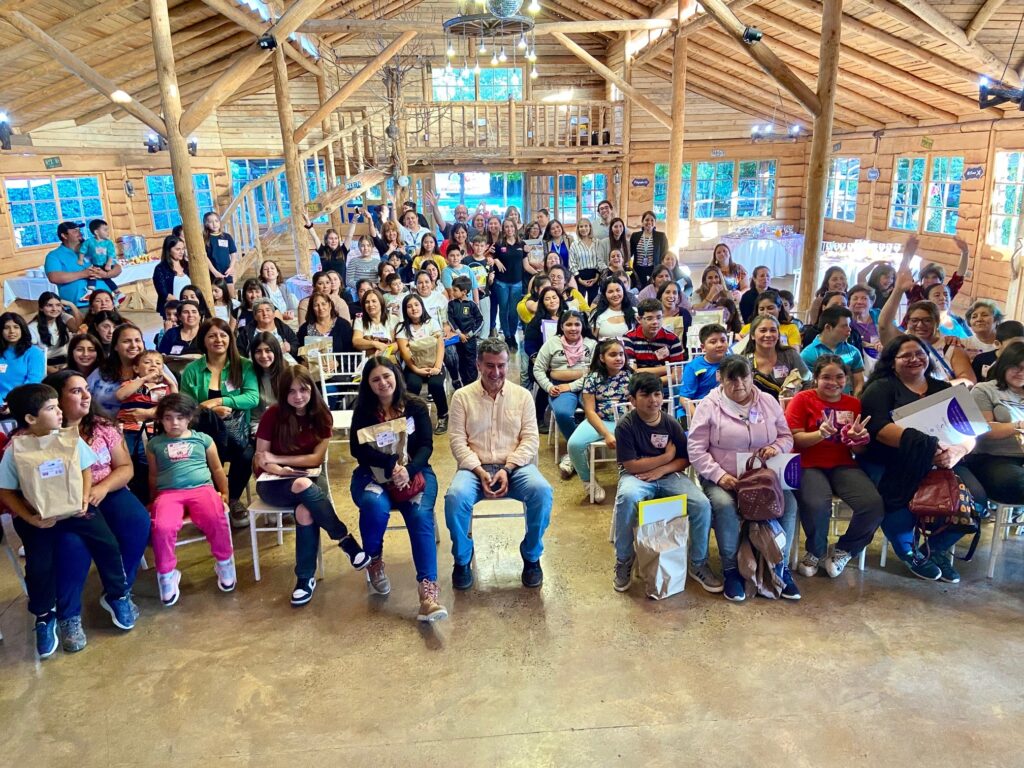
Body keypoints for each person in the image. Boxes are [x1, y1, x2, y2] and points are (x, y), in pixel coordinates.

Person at [0, 383, 135, 658]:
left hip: (76, 509)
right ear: (30, 419)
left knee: (108, 545)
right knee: (39, 566)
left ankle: (117, 595)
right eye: (51, 408)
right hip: (39, 518)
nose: (60, 412)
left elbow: (85, 468)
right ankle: (44, 615)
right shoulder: (16, 449)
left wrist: (84, 498)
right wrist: (30, 518)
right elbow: (5, 490)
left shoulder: (69, 438)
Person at [45, 370, 150, 653]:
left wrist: (102, 489)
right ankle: (68, 615)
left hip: (107, 489)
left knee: (137, 521)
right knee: (73, 544)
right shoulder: (38, 436)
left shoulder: (102, 426)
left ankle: (118, 592)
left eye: (85, 389)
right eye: (75, 391)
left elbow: (125, 468)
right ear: (55, 398)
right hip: (65, 502)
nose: (86, 395)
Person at [859, 334, 979, 582]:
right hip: (891, 459)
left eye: (920, 353)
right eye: (906, 355)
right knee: (896, 501)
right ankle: (909, 553)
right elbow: (879, 429)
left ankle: (934, 550)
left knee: (975, 499)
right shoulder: (880, 388)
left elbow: (972, 431)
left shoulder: (944, 389)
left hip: (945, 459)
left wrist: (958, 451)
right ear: (893, 361)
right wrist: (929, 448)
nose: (914, 359)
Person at [687, 355, 801, 602]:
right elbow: (695, 449)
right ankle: (731, 570)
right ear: (721, 378)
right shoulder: (709, 406)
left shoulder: (768, 401)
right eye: (732, 378)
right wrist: (719, 475)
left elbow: (786, 436)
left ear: (752, 376)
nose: (739, 383)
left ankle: (780, 568)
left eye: (744, 377)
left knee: (789, 504)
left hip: (763, 477)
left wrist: (777, 448)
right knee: (725, 506)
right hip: (725, 477)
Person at [444, 338, 552, 589]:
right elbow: (458, 442)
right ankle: (462, 557)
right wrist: (479, 470)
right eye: (490, 366)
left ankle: (531, 555)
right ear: (478, 365)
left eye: (501, 365)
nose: (496, 373)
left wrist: (507, 469)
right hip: (474, 468)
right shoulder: (462, 397)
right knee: (455, 498)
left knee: (542, 491)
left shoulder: (522, 396)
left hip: (515, 467)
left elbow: (530, 439)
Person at [256, 366, 369, 605]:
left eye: (303, 390)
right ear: (283, 394)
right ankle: (344, 539)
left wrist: (279, 460)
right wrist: (276, 468)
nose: (298, 396)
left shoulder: (321, 414)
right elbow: (261, 458)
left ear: (312, 390)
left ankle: (305, 579)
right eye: (291, 391)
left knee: (305, 510)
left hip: (309, 480)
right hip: (271, 482)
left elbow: (315, 459)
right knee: (300, 483)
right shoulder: (272, 415)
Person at [349, 356, 447, 621]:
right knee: (373, 505)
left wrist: (408, 470)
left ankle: (428, 593)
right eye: (375, 379)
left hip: (415, 471)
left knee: (419, 516)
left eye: (387, 376)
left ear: (396, 376)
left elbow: (426, 445)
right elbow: (357, 449)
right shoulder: (363, 410)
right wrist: (390, 465)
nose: (383, 383)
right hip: (373, 473)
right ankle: (375, 560)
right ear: (368, 384)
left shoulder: (415, 405)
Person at [611, 372, 719, 593]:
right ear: (632, 400)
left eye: (657, 394)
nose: (653, 400)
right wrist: (665, 457)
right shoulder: (625, 426)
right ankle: (623, 559)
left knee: (701, 504)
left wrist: (663, 467)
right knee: (627, 497)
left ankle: (698, 562)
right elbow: (630, 465)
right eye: (646, 395)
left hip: (669, 475)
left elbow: (685, 459)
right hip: (636, 477)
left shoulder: (670, 423)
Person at [785, 356, 882, 578]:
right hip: (808, 463)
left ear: (846, 379)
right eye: (826, 377)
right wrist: (819, 434)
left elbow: (859, 450)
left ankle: (844, 549)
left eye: (839, 377)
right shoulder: (802, 399)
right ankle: (815, 551)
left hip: (843, 463)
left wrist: (858, 441)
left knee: (873, 504)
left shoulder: (853, 404)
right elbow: (794, 439)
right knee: (817, 503)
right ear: (816, 379)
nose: (833, 382)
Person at [147, 393, 235, 605]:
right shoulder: (155, 444)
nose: (174, 423)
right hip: (168, 494)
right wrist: (153, 499)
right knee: (162, 527)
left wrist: (225, 493)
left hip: (202, 489)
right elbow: (153, 474)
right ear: (161, 420)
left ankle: (224, 562)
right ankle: (167, 574)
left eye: (179, 417)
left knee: (216, 518)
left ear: (189, 418)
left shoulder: (203, 439)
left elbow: (217, 469)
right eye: (168, 418)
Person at [179, 318, 259, 527]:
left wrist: (220, 400)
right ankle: (214, 500)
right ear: (203, 340)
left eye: (223, 335)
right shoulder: (192, 370)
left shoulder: (244, 365)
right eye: (212, 335)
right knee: (208, 455)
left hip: (236, 433)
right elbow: (184, 407)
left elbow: (252, 397)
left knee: (248, 455)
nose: (218, 340)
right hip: (203, 434)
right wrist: (210, 410)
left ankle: (230, 499)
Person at [880, 271, 975, 385]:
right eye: (915, 320)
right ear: (908, 322)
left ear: (937, 322)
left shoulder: (949, 346)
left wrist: (933, 392)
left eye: (927, 320)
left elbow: (968, 380)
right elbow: (884, 325)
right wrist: (898, 291)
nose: (920, 325)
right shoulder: (900, 342)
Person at [533, 310, 597, 478]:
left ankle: (575, 452)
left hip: (588, 386)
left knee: (594, 412)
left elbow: (596, 372)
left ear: (583, 326)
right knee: (562, 413)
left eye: (577, 324)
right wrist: (548, 386)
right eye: (568, 324)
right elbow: (538, 368)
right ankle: (577, 450)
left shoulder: (592, 344)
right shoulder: (552, 343)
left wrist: (571, 385)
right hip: (558, 388)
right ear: (561, 326)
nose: (573, 328)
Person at [565, 339, 630, 503]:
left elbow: (635, 405)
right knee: (574, 444)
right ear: (602, 358)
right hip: (599, 421)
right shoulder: (592, 378)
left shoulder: (631, 376)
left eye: (621, 354)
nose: (618, 358)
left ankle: (631, 479)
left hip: (625, 421)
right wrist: (606, 434)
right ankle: (589, 481)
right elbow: (589, 411)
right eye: (613, 355)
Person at [115, 349, 177, 502]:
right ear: (136, 368)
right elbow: (120, 395)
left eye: (158, 363)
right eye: (147, 362)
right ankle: (128, 493)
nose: (153, 366)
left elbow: (175, 404)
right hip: (128, 430)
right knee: (126, 460)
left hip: (151, 433)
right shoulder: (131, 383)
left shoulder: (164, 388)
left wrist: (170, 382)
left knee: (146, 463)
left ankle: (148, 498)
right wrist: (144, 379)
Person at [968, 341, 1024, 504]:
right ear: (1004, 365)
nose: (1021, 373)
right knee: (1017, 482)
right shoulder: (984, 390)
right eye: (1016, 367)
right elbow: (983, 430)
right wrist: (1018, 426)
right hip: (993, 458)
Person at [395, 294, 449, 435]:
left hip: (434, 363)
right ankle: (412, 418)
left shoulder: (432, 323)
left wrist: (437, 367)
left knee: (435, 384)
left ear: (422, 306)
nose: (414, 308)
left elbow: (440, 345)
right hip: (413, 366)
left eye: (416, 305)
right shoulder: (402, 328)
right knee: (413, 385)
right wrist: (416, 370)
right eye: (409, 306)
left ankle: (443, 415)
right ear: (405, 310)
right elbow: (405, 352)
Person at [45, 221, 121, 308]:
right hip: (80, 306)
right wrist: (84, 274)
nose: (79, 233)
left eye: (79, 230)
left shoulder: (92, 248)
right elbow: (54, 277)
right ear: (64, 235)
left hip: (107, 303)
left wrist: (106, 274)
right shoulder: (54, 255)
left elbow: (117, 268)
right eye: (75, 231)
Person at [800, 306, 865, 395]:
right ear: (828, 327)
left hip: (846, 403)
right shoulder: (808, 354)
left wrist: (855, 402)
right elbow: (807, 387)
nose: (849, 329)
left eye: (849, 325)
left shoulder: (853, 351)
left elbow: (859, 382)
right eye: (844, 326)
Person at [742, 314, 809, 399]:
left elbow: (808, 382)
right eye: (763, 330)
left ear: (778, 335)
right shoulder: (744, 361)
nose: (768, 334)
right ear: (752, 335)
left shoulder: (790, 355)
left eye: (773, 330)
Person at [623, 298, 684, 383]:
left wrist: (641, 372)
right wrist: (667, 368)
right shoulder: (629, 338)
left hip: (665, 386)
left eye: (659, 317)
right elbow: (632, 372)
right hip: (639, 387)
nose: (655, 322)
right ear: (639, 319)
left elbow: (677, 377)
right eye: (649, 318)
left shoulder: (673, 339)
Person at [493, 218, 527, 348]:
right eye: (506, 227)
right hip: (502, 283)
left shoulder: (522, 244)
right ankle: (507, 335)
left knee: (514, 311)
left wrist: (538, 270)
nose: (509, 229)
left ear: (515, 228)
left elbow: (526, 264)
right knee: (503, 309)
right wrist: (496, 260)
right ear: (503, 229)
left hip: (517, 283)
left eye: (511, 227)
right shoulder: (499, 244)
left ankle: (512, 334)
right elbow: (489, 256)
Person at [0, 313, 46, 408]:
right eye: (6, 328)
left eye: (16, 327)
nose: (11, 331)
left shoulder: (34, 352)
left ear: (22, 329)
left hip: (23, 401)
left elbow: (33, 381)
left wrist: (13, 403)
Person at [30, 292, 82, 373]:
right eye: (49, 305)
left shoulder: (63, 318)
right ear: (41, 308)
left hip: (66, 363)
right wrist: (50, 370)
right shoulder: (32, 328)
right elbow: (32, 355)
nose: (54, 309)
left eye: (58, 305)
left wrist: (72, 305)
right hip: (44, 366)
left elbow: (79, 329)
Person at [447, 276, 483, 388]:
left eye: (455, 290)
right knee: (461, 362)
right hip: (458, 338)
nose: (452, 292)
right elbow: (450, 319)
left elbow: (480, 320)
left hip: (470, 339)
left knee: (471, 362)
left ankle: (473, 384)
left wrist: (470, 334)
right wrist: (459, 334)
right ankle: (464, 384)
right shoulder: (452, 304)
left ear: (464, 292)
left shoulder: (472, 305)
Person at [678, 323, 730, 401]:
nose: (720, 345)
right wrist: (697, 413)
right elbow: (684, 398)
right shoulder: (693, 367)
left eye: (723, 340)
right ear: (703, 347)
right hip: (697, 406)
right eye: (713, 342)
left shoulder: (733, 363)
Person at [248, 332, 286, 433]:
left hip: (285, 424)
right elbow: (254, 417)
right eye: (258, 351)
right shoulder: (250, 375)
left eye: (268, 350)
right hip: (259, 425)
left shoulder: (288, 373)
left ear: (276, 351)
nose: (263, 356)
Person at [737, 290, 802, 349]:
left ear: (779, 307)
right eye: (762, 309)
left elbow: (795, 355)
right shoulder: (748, 328)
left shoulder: (791, 328)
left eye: (770, 308)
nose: (766, 313)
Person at [568, 218, 608, 305]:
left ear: (590, 227)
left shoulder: (597, 242)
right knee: (579, 304)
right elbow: (572, 264)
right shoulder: (574, 245)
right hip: (579, 277)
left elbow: (600, 260)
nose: (583, 228)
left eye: (586, 226)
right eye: (581, 226)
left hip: (595, 276)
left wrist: (597, 277)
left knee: (593, 303)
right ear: (578, 229)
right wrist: (579, 279)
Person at [79, 219, 121, 298]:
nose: (107, 232)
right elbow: (83, 250)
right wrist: (80, 260)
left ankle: (117, 292)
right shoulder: (89, 242)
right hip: (95, 264)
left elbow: (111, 254)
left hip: (105, 264)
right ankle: (90, 291)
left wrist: (108, 264)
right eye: (105, 230)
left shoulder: (108, 243)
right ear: (96, 232)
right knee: (93, 276)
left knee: (105, 277)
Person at [152, 235, 189, 317]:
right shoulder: (160, 269)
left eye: (183, 249)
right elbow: (164, 294)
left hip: (189, 307)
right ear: (169, 250)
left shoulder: (187, 266)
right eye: (178, 249)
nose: (182, 252)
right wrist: (181, 305)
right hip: (172, 310)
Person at [627, 211, 666, 288]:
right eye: (647, 220)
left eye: (652, 220)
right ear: (642, 222)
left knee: (652, 289)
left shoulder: (661, 236)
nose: (649, 222)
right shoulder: (635, 236)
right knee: (639, 288)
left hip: (654, 269)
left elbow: (664, 254)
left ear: (655, 223)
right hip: (638, 269)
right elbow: (630, 253)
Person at [352, 288, 397, 355]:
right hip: (368, 361)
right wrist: (374, 344)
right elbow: (356, 341)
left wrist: (384, 352)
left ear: (381, 302)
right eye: (367, 302)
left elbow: (397, 344)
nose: (370, 305)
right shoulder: (359, 320)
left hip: (388, 359)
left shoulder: (392, 319)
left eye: (374, 301)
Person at [848, 284, 883, 366]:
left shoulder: (879, 315)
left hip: (879, 360)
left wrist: (884, 342)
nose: (859, 302)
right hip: (854, 362)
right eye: (855, 298)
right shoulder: (846, 320)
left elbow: (893, 334)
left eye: (864, 298)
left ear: (872, 302)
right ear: (849, 302)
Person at [203, 211, 238, 283]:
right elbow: (204, 256)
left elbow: (233, 254)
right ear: (206, 224)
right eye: (210, 222)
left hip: (226, 272)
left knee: (230, 292)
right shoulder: (204, 238)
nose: (214, 224)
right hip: (212, 273)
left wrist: (231, 268)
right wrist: (214, 272)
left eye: (216, 221)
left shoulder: (227, 236)